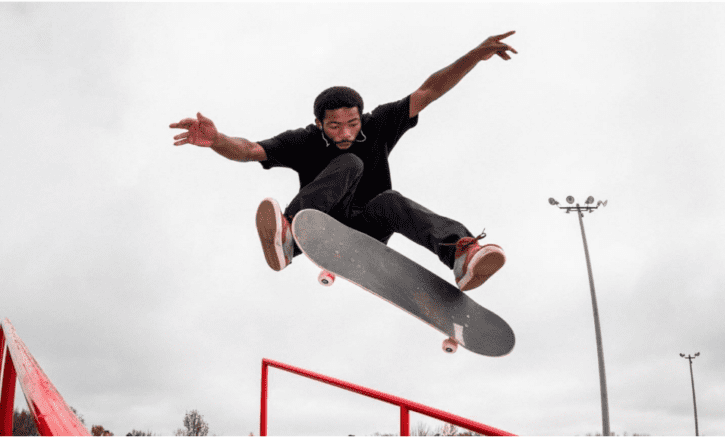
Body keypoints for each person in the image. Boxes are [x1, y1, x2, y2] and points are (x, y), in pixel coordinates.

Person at [170, 31, 517, 291]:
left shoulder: (378, 124)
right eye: (334, 126)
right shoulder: (303, 140)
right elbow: (248, 150)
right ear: (319, 123)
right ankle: (288, 238)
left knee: (389, 200)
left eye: (352, 123)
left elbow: (430, 91)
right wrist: (217, 140)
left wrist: (474, 56)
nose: (345, 133)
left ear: (361, 118)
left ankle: (461, 255)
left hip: (370, 229)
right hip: (322, 223)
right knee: (350, 164)